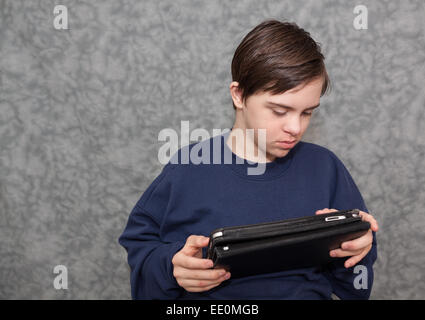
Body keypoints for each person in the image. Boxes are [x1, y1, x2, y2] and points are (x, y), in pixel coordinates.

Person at [118, 19, 378, 300]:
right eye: (280, 110)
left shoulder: (326, 169)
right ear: (239, 95)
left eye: (307, 112)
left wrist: (357, 249)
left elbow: (356, 290)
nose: (296, 128)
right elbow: (141, 256)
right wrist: (171, 267)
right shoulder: (189, 167)